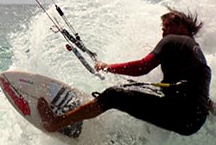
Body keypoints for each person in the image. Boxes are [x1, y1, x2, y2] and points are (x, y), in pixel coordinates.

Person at [37, 7, 213, 136]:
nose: (163, 30)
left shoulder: (174, 40)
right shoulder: (194, 52)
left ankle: (56, 123)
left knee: (114, 95)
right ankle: (126, 138)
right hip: (192, 120)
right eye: (163, 27)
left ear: (182, 27)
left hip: (179, 111)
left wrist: (108, 67)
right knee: (132, 90)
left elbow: (142, 67)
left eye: (167, 26)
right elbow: (197, 92)